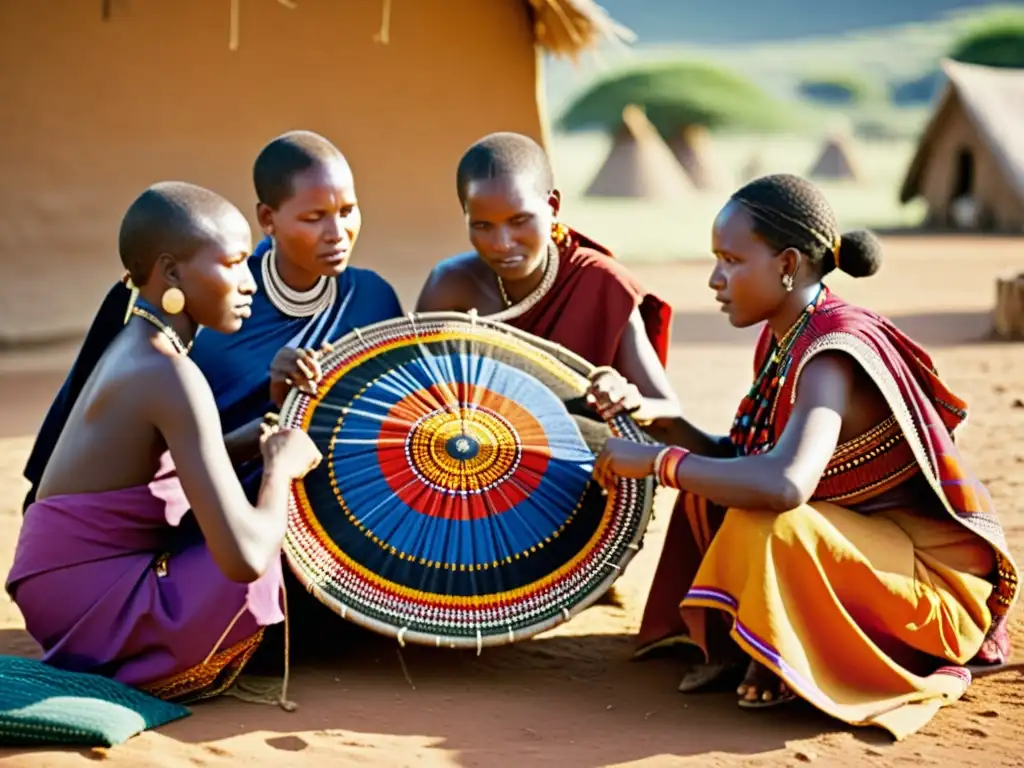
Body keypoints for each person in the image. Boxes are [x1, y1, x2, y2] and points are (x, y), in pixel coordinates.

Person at [589, 174, 1018, 740]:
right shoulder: (785, 335)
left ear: (788, 263)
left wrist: (658, 461)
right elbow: (739, 456)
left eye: (731, 260)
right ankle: (760, 640)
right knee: (716, 488)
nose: (716, 280)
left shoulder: (831, 352)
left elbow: (786, 484)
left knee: (769, 522)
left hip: (929, 593)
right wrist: (653, 416)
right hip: (865, 553)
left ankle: (788, 653)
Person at [6, 182, 322, 704]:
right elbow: (244, 558)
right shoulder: (171, 373)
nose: (250, 285)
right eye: (234, 264)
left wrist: (243, 443)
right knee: (267, 550)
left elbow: (140, 466)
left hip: (58, 589)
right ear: (171, 273)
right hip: (88, 604)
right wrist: (278, 471)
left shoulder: (139, 341)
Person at [188, 130, 403, 497]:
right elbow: (174, 466)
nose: (338, 233)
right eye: (314, 217)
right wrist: (273, 418)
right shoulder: (220, 306)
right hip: (232, 516)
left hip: (355, 506)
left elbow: (396, 421)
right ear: (267, 218)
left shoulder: (373, 298)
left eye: (347, 211)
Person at [415, 131, 678, 427]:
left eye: (519, 221)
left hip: (583, 464)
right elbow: (414, 397)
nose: (502, 243)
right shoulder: (451, 287)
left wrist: (628, 398)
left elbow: (667, 408)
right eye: (482, 225)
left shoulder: (601, 282)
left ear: (552, 207)